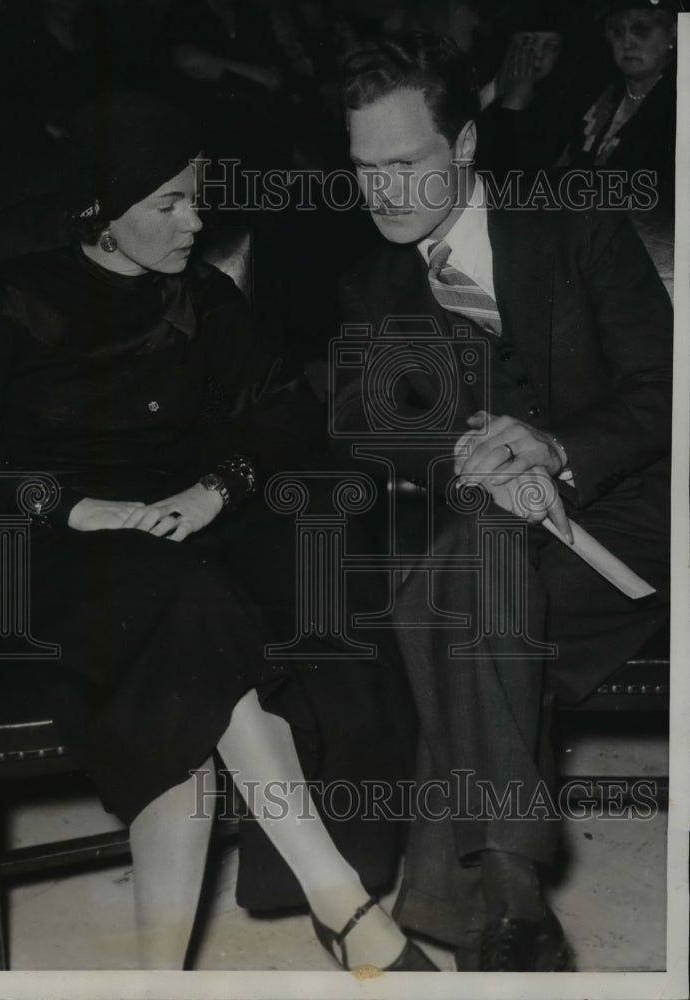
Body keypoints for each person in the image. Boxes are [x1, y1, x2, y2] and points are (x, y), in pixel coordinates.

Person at [0, 90, 432, 973]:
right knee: (187, 608)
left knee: (196, 627)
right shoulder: (14, 298)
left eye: (195, 196)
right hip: (54, 561)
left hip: (182, 544)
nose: (195, 219)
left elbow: (285, 417)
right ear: (100, 212)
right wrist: (73, 507)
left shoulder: (201, 296)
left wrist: (217, 487)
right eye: (168, 202)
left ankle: (159, 978)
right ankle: (345, 907)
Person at [332, 32, 671, 971]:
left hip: (641, 518)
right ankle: (515, 908)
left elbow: (664, 387)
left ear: (468, 148)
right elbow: (363, 416)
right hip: (505, 556)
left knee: (432, 604)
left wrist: (558, 446)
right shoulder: (370, 289)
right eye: (365, 170)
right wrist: (470, 456)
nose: (384, 194)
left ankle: (459, 894)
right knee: (472, 563)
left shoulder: (576, 225)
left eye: (406, 165)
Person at [559, 0, 678, 201]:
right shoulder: (596, 95)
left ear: (672, 34)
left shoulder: (679, 104)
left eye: (641, 30)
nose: (626, 42)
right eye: (617, 31)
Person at [476, 2, 584, 177]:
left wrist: (513, 106)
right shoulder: (470, 86)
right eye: (529, 40)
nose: (539, 54)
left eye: (551, 46)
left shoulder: (555, 112)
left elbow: (502, 178)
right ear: (506, 42)